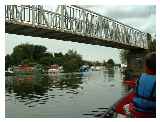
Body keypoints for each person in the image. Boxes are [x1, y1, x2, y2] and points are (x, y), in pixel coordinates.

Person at [123, 52, 156, 117]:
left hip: (135, 110)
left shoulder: (140, 77)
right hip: (150, 113)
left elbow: (138, 89)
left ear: (146, 66)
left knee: (125, 107)